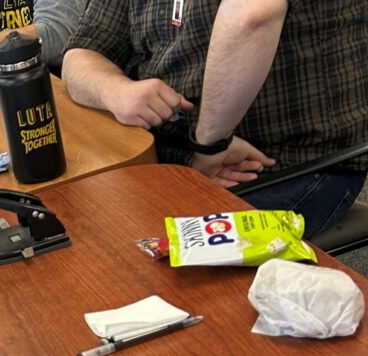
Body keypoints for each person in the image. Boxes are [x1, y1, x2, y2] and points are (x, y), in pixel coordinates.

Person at [62, 0, 368, 238]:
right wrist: (115, 90)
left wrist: (209, 145)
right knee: (73, 225)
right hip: (167, 160)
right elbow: (79, 54)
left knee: (138, 261)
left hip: (285, 166)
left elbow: (252, 15)